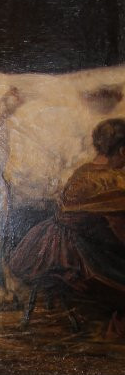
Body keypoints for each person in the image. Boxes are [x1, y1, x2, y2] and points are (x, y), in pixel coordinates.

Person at [10, 117, 125, 305]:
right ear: (122, 151)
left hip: (49, 245)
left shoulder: (83, 171)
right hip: (82, 259)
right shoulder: (111, 180)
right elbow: (119, 230)